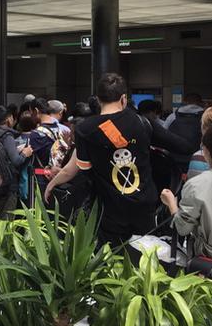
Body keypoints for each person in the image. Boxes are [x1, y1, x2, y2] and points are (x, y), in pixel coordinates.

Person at [44, 73, 158, 247]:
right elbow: (181, 146)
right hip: (144, 207)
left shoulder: (86, 129)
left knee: (111, 260)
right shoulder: (142, 122)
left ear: (98, 99)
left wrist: (51, 185)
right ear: (124, 98)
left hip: (109, 209)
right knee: (146, 258)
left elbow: (76, 168)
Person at [161, 124, 212, 286]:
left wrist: (171, 204)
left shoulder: (197, 185)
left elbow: (182, 227)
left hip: (211, 269)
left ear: (206, 151)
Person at [0, 106, 33, 217]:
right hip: (7, 187)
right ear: (8, 119)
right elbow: (16, 161)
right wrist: (25, 153)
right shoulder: (7, 136)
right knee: (6, 222)